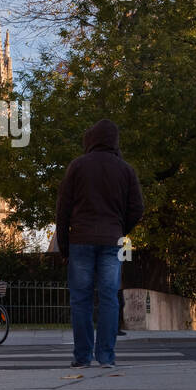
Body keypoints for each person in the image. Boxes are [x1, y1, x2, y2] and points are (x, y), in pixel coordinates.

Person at [55, 119, 143, 368]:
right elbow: (137, 208)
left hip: (80, 240)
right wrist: (119, 229)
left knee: (80, 299)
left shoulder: (78, 166)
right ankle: (106, 356)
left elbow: (63, 209)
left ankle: (82, 356)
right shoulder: (125, 169)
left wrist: (64, 246)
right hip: (111, 240)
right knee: (109, 298)